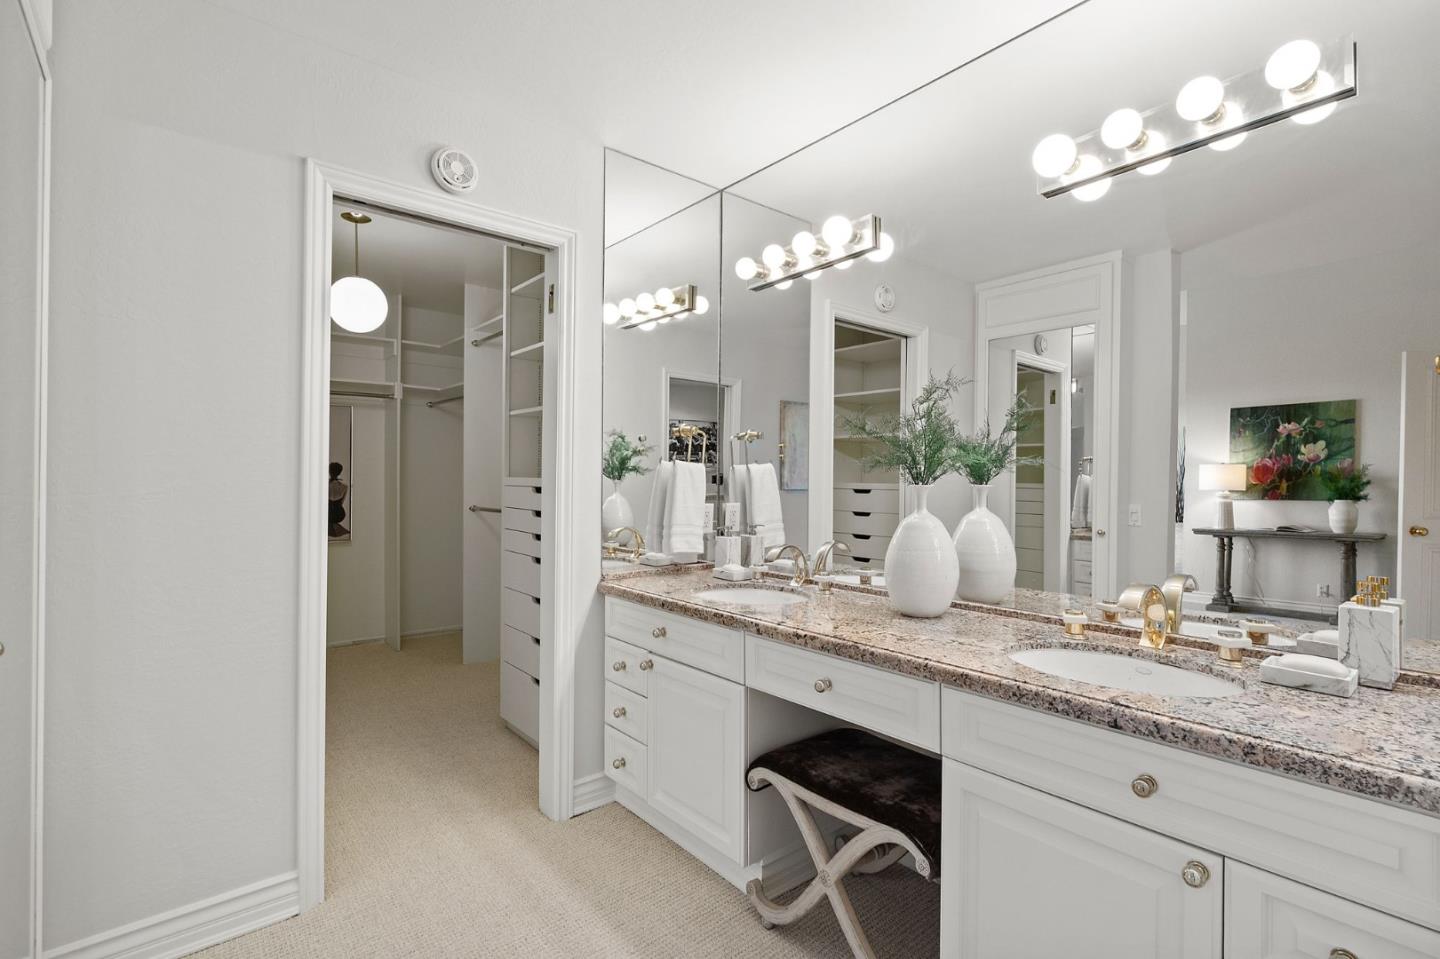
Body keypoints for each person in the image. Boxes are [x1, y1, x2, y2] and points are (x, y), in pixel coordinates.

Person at [328, 461, 350, 538]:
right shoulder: (344, 486)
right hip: (339, 514)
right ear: (339, 472)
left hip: (328, 514)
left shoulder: (324, 485)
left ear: (329, 471)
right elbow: (341, 503)